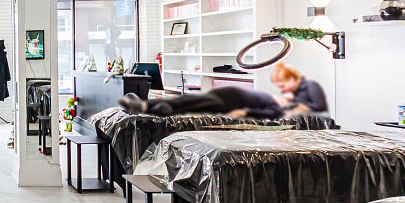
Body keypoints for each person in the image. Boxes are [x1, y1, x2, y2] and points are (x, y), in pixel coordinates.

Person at [119, 86, 285, 120]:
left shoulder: (273, 105)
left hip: (225, 102)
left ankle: (148, 106)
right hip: (217, 96)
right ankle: (149, 105)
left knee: (195, 102)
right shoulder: (264, 96)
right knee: (185, 99)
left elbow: (276, 114)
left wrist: (246, 112)